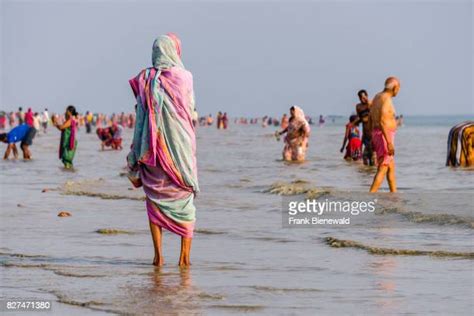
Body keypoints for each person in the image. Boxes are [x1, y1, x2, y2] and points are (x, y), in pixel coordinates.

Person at [127, 33, 199, 267]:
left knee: (155, 200)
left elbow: (139, 113)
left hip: (152, 148)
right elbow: (191, 111)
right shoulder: (185, 77)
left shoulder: (145, 78)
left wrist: (135, 151)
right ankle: (184, 258)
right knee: (184, 200)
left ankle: (158, 256)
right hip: (180, 149)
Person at [369, 77, 400, 193]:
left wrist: (372, 137)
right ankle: (370, 195)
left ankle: (394, 194)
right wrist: (389, 143)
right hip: (384, 135)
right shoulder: (386, 99)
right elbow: (382, 121)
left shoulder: (377, 97)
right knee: (383, 168)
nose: (398, 91)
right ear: (395, 88)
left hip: (377, 133)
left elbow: (371, 117)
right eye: (399, 88)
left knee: (391, 167)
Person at [354, 90, 374, 165]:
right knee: (365, 158)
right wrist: (352, 124)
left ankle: (373, 174)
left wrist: (369, 103)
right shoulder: (358, 106)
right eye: (360, 98)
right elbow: (359, 118)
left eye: (363, 97)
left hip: (373, 135)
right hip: (365, 135)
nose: (362, 99)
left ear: (367, 96)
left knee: (372, 158)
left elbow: (375, 115)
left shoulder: (372, 104)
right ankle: (366, 176)